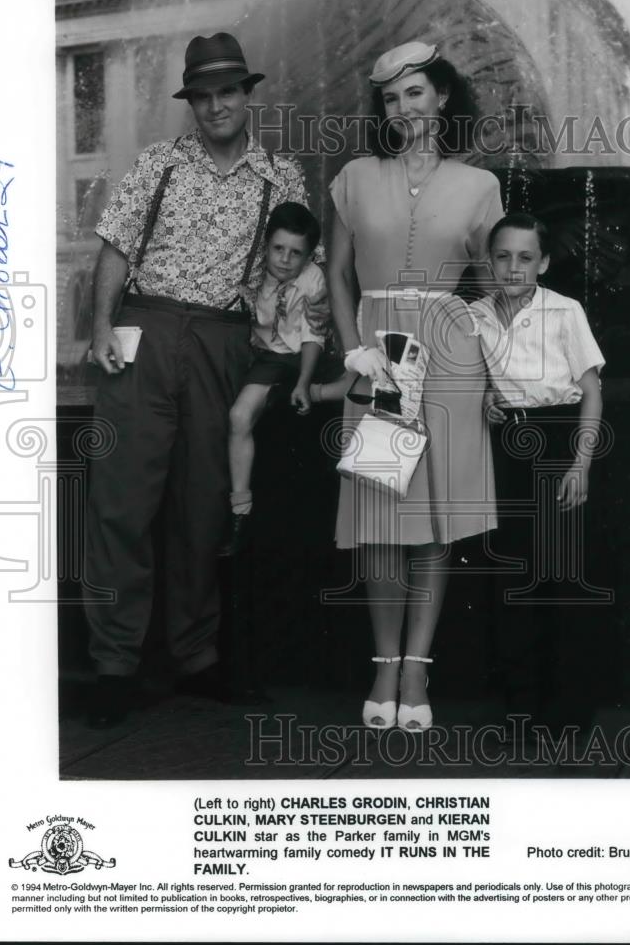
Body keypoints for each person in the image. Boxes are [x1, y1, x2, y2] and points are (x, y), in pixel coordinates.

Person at [84, 32, 313, 728]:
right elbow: (115, 252)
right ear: (192, 103)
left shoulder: (282, 179)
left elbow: (295, 272)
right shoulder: (157, 165)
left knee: (202, 504)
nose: (216, 105)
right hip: (145, 331)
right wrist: (99, 329)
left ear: (248, 96)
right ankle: (113, 665)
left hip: (221, 339)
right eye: (204, 95)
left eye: (228, 92)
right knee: (121, 503)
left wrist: (291, 352)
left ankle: (195, 657)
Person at [327, 40, 503, 731]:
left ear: (442, 98)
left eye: (416, 93)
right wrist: (351, 351)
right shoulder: (354, 176)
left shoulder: (478, 186)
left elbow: (491, 287)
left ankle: (416, 671)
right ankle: (382, 662)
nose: (404, 108)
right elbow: (339, 274)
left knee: (433, 520)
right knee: (378, 516)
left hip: (450, 356)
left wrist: (495, 372)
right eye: (392, 98)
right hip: (382, 358)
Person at [470, 212, 606, 725]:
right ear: (490, 261)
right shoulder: (476, 316)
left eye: (525, 258)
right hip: (506, 447)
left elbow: (592, 390)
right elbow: (480, 381)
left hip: (559, 443)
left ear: (543, 262)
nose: (513, 267)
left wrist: (581, 464)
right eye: (503, 256)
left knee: (563, 577)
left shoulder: (564, 311)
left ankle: (568, 713)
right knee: (515, 576)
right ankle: (519, 709)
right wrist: (486, 398)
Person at [227, 201, 327, 552]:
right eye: (278, 249)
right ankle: (240, 507)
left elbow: (314, 333)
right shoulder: (253, 272)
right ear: (267, 245)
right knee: (238, 416)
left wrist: (303, 380)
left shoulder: (314, 279)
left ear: (309, 255)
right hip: (263, 356)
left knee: (247, 417)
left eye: (296, 253)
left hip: (297, 356)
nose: (284, 259)